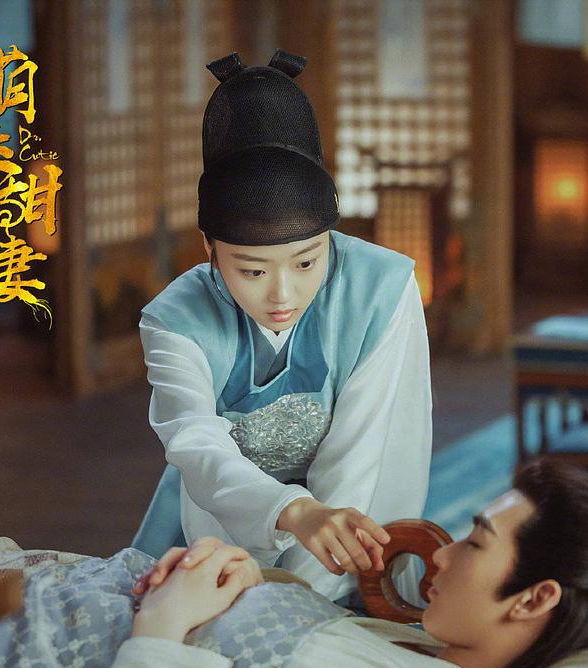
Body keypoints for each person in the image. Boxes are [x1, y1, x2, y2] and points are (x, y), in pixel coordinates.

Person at [130, 49, 432, 602]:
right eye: (252, 271)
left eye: (307, 261)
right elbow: (196, 444)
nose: (283, 295)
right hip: (217, 519)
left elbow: (365, 454)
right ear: (208, 248)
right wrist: (294, 512)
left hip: (349, 527)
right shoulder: (175, 319)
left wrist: (304, 597)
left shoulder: (381, 290)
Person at [96, 459, 588, 668]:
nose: (441, 555)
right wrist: (252, 581)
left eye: (475, 543)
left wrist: (165, 624)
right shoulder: (424, 650)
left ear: (534, 599)